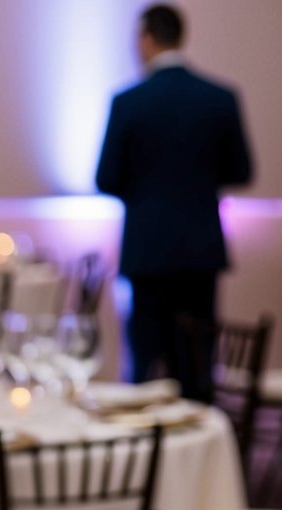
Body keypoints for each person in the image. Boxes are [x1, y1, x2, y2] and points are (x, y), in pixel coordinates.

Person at [95, 3, 253, 395]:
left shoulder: (129, 102)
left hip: (148, 252)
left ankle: (150, 453)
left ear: (146, 40)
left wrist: (148, 192)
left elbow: (106, 178)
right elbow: (241, 172)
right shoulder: (219, 97)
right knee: (197, 366)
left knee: (148, 369)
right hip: (200, 251)